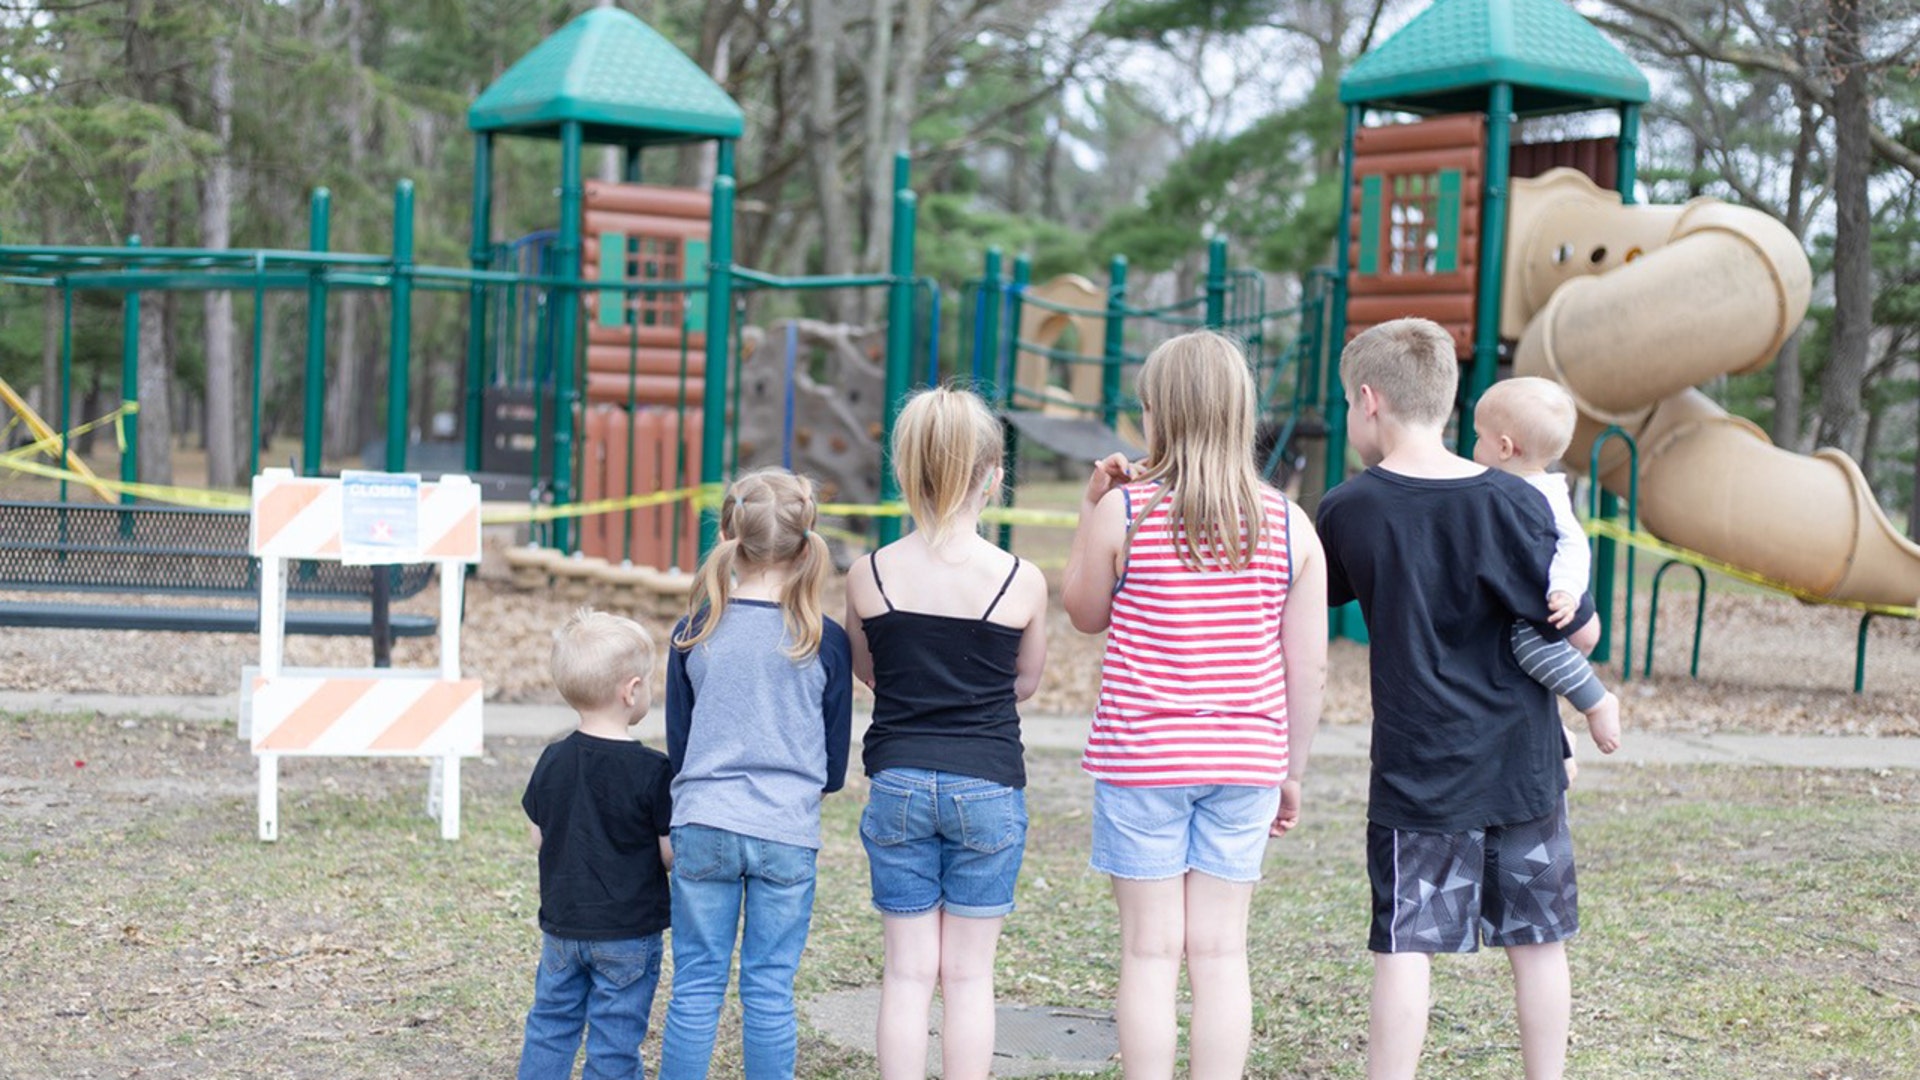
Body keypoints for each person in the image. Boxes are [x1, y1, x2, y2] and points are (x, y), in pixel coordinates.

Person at [1315, 318, 1599, 1080]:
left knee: (1406, 947)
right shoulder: (1518, 503)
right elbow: (1578, 634)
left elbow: (1309, 602)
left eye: (1348, 402)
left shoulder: (1350, 509)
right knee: (1539, 942)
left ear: (1369, 401)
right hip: (1523, 765)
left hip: (1419, 769)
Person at [1062, 330, 1328, 1080]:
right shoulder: (1288, 525)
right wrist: (1292, 769)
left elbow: (1083, 611)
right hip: (1245, 763)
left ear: (1160, 417)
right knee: (1219, 951)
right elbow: (1305, 668)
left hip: (1142, 760)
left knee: (1150, 951)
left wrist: (1094, 507)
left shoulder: (1129, 512)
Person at [844, 385, 1049, 1080]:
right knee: (967, 976)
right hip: (988, 784)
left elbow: (868, 671)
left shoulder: (869, 575)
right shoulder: (1020, 580)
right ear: (994, 477)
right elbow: (1026, 680)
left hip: (897, 779)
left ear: (904, 473)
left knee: (905, 975)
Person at [657, 468, 854, 1079]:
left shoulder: (693, 632)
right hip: (785, 830)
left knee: (696, 984)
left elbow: (680, 742)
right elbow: (834, 758)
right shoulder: (825, 640)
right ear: (806, 541)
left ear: (729, 533)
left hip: (703, 824)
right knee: (769, 990)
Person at [518, 608, 674, 1080]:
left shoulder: (552, 758)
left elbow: (538, 834)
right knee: (615, 1037)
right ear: (631, 691)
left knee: (550, 1024)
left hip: (563, 928)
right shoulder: (653, 771)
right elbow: (669, 854)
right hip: (628, 932)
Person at [1471, 377, 1622, 768]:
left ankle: (1596, 702)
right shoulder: (1505, 488)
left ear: (1504, 447)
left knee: (1526, 645)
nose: (1473, 447)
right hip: (1532, 605)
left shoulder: (1544, 495)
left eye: (1478, 438)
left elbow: (1574, 545)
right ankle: (1558, 735)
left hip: (1548, 610)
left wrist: (1566, 591)